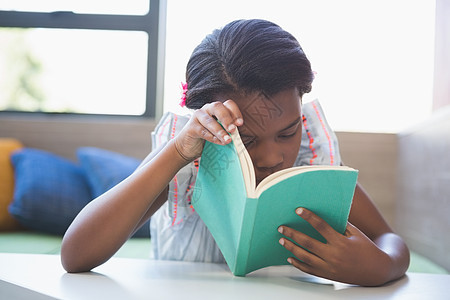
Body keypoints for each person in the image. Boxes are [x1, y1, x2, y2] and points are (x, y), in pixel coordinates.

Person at [61, 19, 409, 286]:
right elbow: (75, 255)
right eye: (248, 140)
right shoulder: (187, 156)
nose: (273, 157)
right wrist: (178, 152)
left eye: (287, 132)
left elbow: (390, 240)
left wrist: (381, 265)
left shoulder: (309, 158)